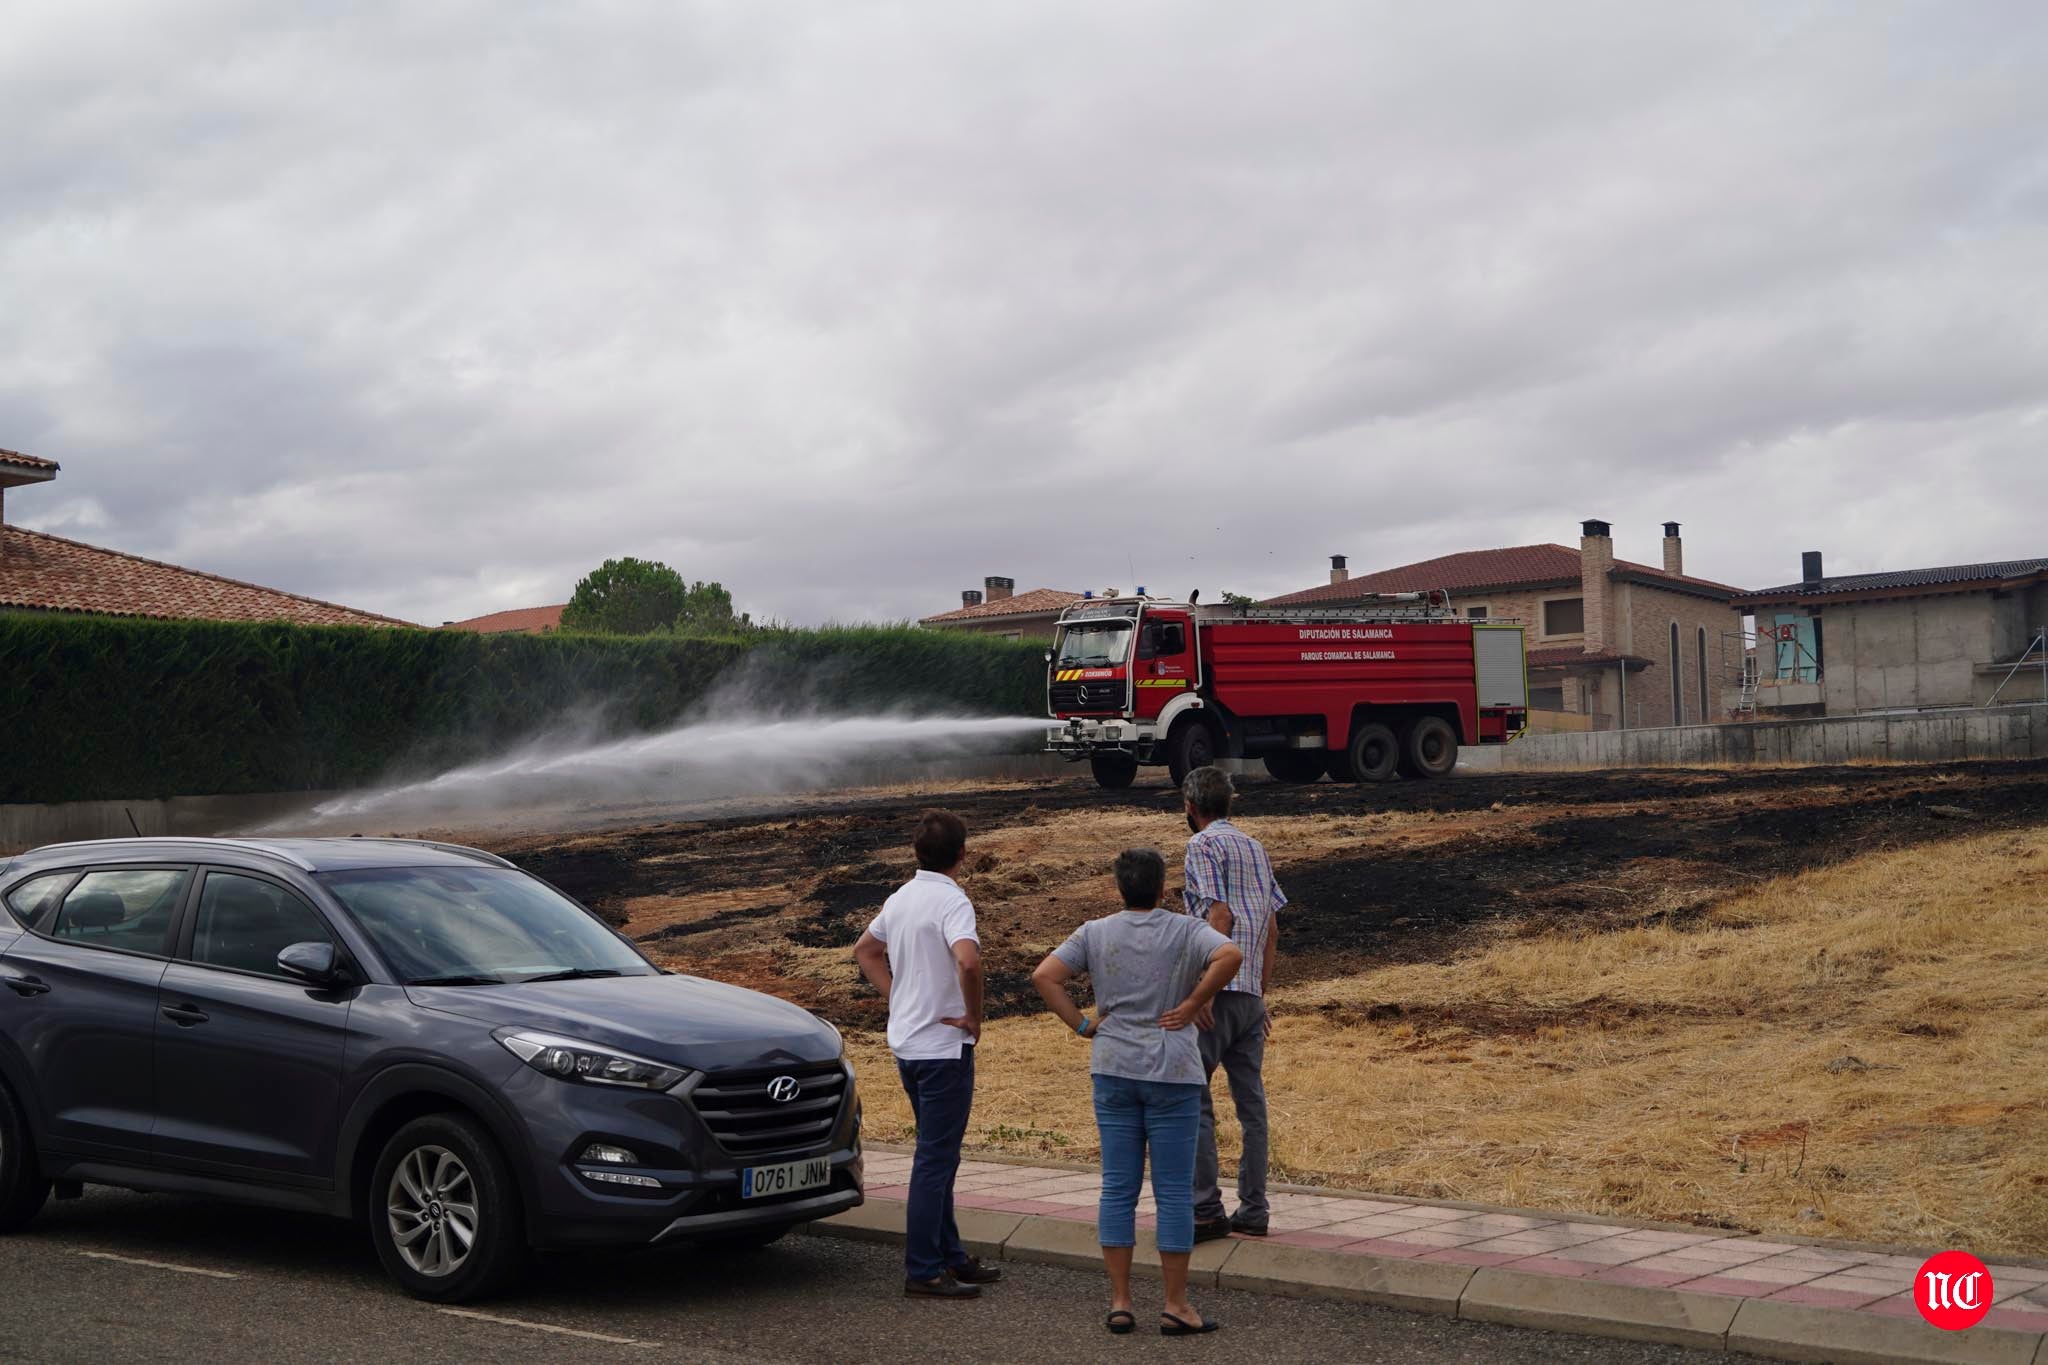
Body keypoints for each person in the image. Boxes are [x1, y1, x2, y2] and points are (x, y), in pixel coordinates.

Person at [1031, 847, 1243, 1337]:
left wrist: (1083, 1024)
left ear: (1119, 888)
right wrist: (1194, 1001)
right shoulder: (1186, 929)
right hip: (1173, 1070)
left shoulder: (1095, 931)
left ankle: (1121, 1300)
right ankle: (1175, 1305)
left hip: (1114, 1068)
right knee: (1172, 1192)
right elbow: (1230, 954)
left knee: (1118, 1188)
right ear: (1164, 889)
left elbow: (1045, 975)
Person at [852, 809, 1001, 1299]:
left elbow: (866, 951)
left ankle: (952, 1255)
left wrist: (897, 997)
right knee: (935, 1160)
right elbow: (970, 961)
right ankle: (923, 1268)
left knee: (941, 1155)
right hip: (942, 1049)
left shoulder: (901, 898)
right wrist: (974, 1016)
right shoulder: (952, 902)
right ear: (963, 854)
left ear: (919, 852)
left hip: (908, 1046)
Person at [1179, 765, 1287, 1242]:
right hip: (1250, 997)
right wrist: (1261, 995)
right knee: (1251, 1106)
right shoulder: (1256, 848)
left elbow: (1217, 913)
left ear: (1190, 805)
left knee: (1195, 1100)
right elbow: (1272, 927)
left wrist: (1204, 987)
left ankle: (1205, 1210)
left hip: (1218, 994)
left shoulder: (1201, 846)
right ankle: (1254, 1208)